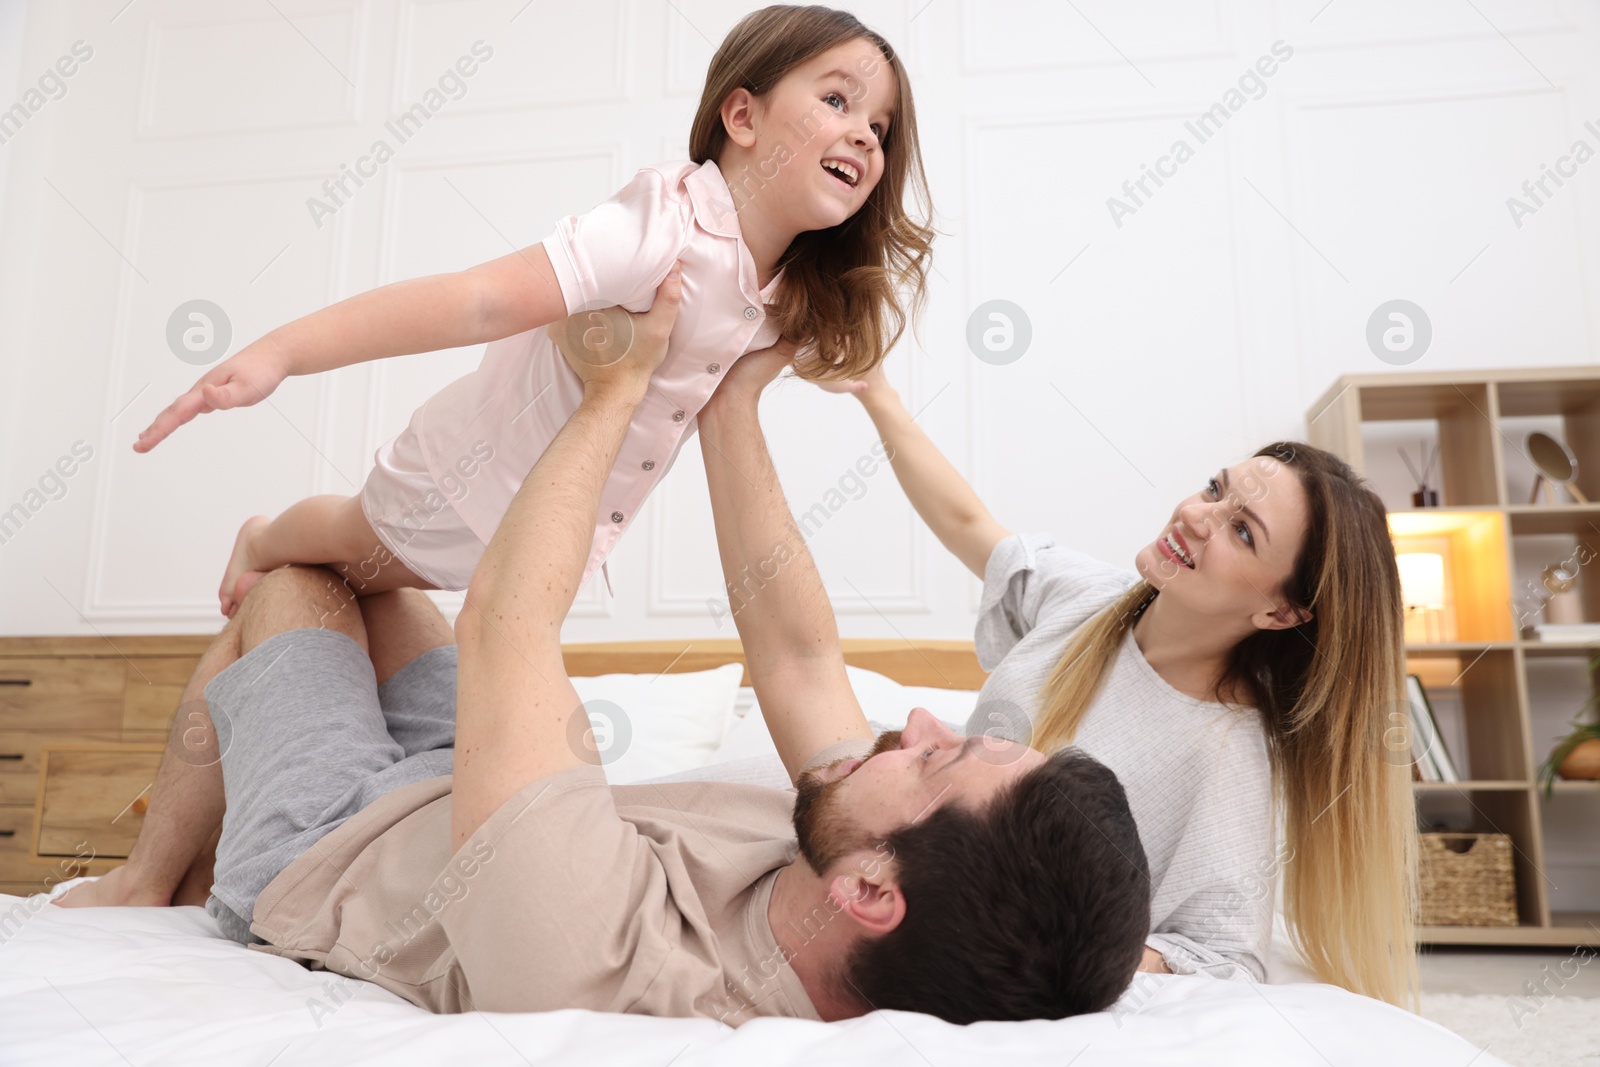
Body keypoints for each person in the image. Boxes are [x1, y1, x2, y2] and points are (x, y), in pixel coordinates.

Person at [59, 280, 1152, 1026]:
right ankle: (172, 858)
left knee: (301, 578)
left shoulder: (601, 966)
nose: (916, 722)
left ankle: (158, 881)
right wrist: (731, 400)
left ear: (875, 893)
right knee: (377, 577)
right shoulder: (859, 858)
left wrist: (615, 390)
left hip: (335, 850)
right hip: (476, 797)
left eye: (938, 759)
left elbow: (505, 616)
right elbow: (801, 656)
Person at [129, 5, 935, 618]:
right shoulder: (662, 225)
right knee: (349, 539)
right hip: (456, 482)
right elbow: (480, 300)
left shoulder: (789, 288)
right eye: (838, 100)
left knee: (416, 599)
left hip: (554, 528)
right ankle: (264, 535)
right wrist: (280, 352)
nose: (864, 136)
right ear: (744, 115)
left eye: (879, 126)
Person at [798, 363, 1418, 1005]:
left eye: (1241, 531)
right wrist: (879, 393)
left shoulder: (1223, 756)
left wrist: (1033, 942)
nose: (1197, 516)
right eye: (1215, 490)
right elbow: (965, 524)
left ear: (1281, 613)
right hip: (888, 843)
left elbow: (1226, 962)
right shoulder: (1092, 597)